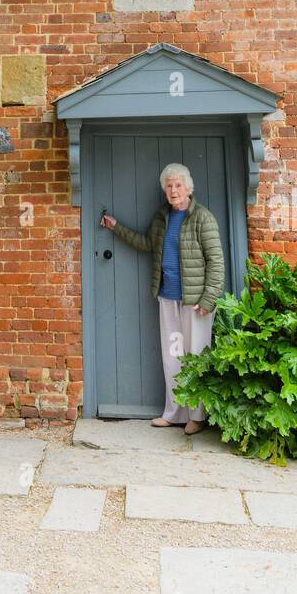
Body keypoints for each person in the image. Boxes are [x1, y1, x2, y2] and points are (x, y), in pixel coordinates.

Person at [100, 163, 224, 433]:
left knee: (196, 357)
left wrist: (207, 299)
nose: (173, 190)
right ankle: (174, 413)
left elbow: (216, 262)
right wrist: (116, 227)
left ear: (188, 188)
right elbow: (146, 244)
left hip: (195, 303)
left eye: (178, 185)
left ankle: (197, 417)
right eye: (169, 186)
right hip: (168, 298)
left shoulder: (203, 218)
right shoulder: (162, 218)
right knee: (173, 357)